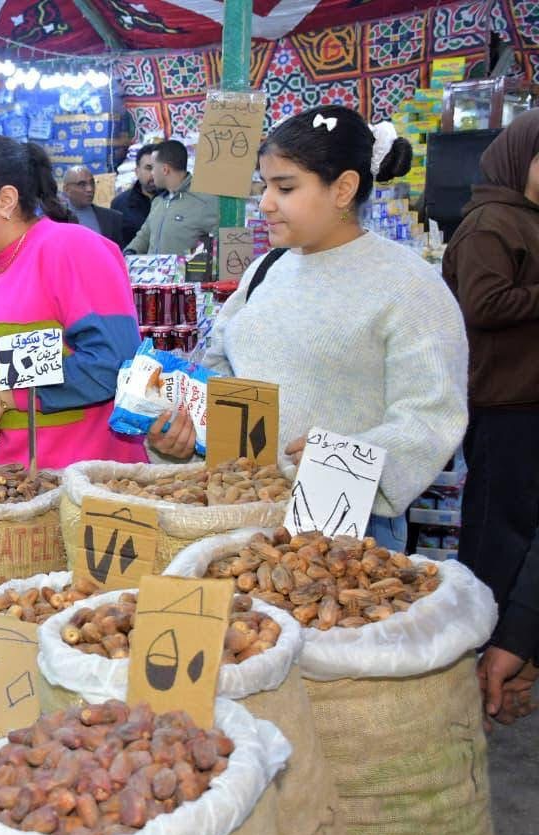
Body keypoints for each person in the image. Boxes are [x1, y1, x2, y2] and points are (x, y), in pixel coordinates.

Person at [149, 106, 468, 553]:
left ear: (343, 188)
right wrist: (185, 432)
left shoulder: (411, 288)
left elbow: (431, 416)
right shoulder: (266, 269)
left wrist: (343, 460)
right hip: (237, 513)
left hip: (345, 528)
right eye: (264, 186)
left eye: (285, 187)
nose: (265, 204)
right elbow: (217, 370)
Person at [0, 136, 147, 468]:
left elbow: (114, 364)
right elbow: (0, 378)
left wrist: (3, 396)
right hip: (13, 481)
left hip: (91, 483)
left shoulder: (72, 249)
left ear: (5, 200)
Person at [441, 109, 539, 726]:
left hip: (529, 400)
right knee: (498, 534)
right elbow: (484, 303)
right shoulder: (489, 224)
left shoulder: (526, 222)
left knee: (522, 533)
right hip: (506, 405)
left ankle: (511, 653)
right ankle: (478, 658)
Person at [125, 139, 219, 255]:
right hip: (152, 272)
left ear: (165, 170)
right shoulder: (158, 201)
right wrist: (130, 251)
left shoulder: (204, 202)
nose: (152, 173)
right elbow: (145, 234)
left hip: (184, 272)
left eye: (153, 168)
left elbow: (219, 246)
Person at [62, 165, 127, 247]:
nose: (90, 189)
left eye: (92, 183)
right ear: (67, 190)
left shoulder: (112, 219)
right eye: (82, 184)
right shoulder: (55, 220)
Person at [112, 143, 159, 241]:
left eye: (157, 168)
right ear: (137, 171)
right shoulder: (120, 204)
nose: (153, 173)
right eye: (148, 168)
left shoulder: (175, 201)